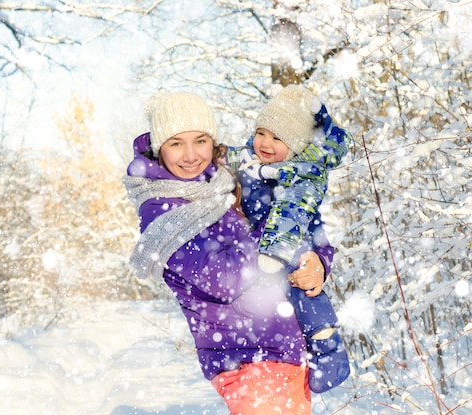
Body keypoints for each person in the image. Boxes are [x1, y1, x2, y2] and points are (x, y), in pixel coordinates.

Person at [122, 91, 335, 414]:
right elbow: (225, 279)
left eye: (201, 140)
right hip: (248, 361)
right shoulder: (164, 210)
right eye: (176, 143)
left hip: (287, 352)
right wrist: (280, 220)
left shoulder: (226, 182)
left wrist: (319, 261)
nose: (191, 155)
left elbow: (305, 229)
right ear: (159, 149)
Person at [224, 85, 351, 393]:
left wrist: (319, 261)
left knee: (310, 299)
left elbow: (317, 236)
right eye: (261, 133)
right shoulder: (240, 167)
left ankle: (329, 358)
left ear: (294, 146)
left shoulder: (299, 182)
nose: (265, 143)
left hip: (288, 284)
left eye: (278, 138)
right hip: (250, 303)